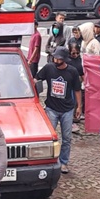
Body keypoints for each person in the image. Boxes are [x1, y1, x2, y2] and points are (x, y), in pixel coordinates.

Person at [35, 46, 81, 174]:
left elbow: (77, 89)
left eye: (59, 58)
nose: (56, 60)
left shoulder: (72, 72)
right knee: (49, 137)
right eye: (55, 57)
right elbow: (36, 78)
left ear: (64, 59)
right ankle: (47, 160)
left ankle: (64, 162)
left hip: (67, 110)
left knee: (67, 138)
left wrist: (79, 106)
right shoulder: (49, 68)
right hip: (51, 108)